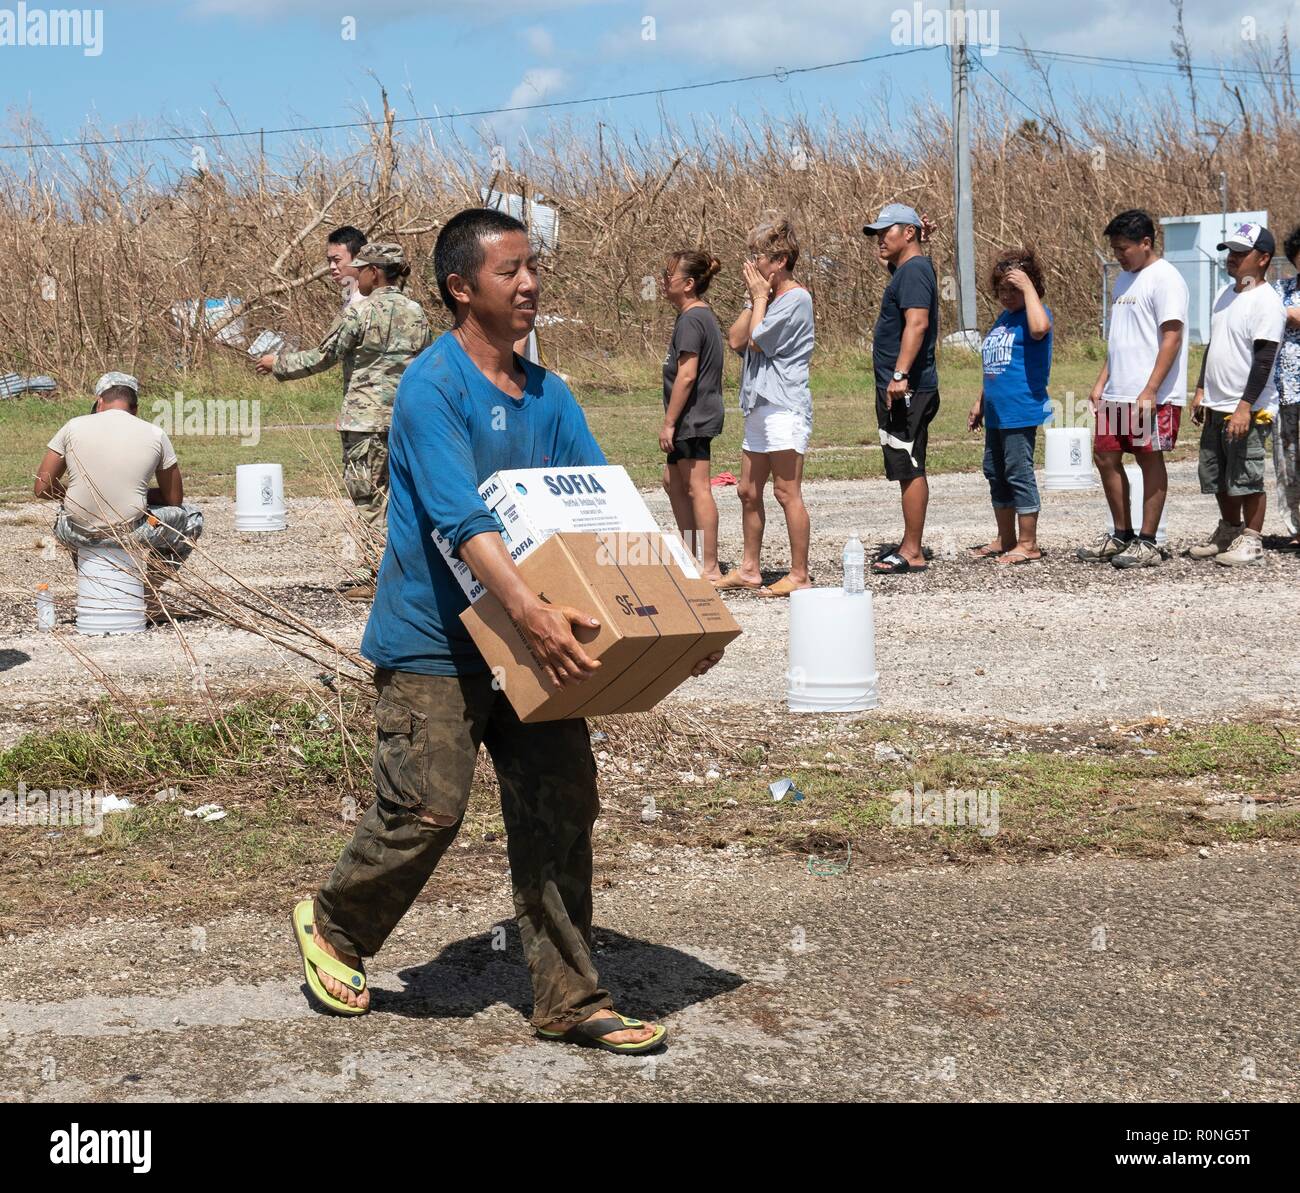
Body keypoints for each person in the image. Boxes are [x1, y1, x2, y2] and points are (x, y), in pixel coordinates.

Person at [289, 207, 724, 1053]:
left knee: (561, 803)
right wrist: (527, 606)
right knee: (426, 808)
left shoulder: (550, 394)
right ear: (461, 289)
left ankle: (571, 998)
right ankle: (336, 924)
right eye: (510, 271)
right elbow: (458, 515)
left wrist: (681, 609)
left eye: (533, 268)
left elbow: (605, 509)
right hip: (436, 642)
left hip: (537, 639)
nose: (529, 284)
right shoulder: (431, 386)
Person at [258, 242, 431, 598]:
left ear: (375, 273)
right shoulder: (418, 313)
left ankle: (382, 580)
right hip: (406, 419)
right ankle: (410, 574)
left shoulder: (362, 313)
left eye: (361, 268)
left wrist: (279, 365)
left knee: (368, 497)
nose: (355, 273)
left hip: (364, 420)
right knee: (401, 496)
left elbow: (324, 355)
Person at [34, 372, 203, 615]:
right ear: (135, 408)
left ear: (99, 401)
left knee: (67, 513)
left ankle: (94, 585)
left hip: (74, 534)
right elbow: (175, 500)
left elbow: (42, 488)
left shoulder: (72, 426)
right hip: (132, 533)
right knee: (191, 517)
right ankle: (148, 594)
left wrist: (75, 494)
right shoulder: (155, 434)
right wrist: (139, 496)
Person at [1077, 209, 1189, 569]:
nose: (1118, 255)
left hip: (1148, 394)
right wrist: (1101, 382)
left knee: (1147, 458)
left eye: (1124, 248)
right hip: (1116, 391)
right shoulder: (1124, 280)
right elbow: (1119, 340)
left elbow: (1171, 338)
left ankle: (1149, 540)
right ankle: (1121, 534)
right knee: (1105, 456)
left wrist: (1151, 389)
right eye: (1114, 249)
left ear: (1146, 243)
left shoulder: (1166, 278)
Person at [716, 212, 815, 596]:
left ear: (781, 262)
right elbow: (737, 339)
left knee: (786, 491)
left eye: (760, 257)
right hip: (758, 403)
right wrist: (753, 298)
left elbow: (758, 339)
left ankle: (799, 574)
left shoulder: (796, 300)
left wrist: (760, 298)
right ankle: (750, 568)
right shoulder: (767, 299)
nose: (753, 264)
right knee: (748, 490)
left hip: (784, 404)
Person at [1187, 223, 1285, 566]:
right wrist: (1200, 389)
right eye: (1231, 252)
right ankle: (1229, 530)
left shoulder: (1267, 302)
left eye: (1241, 253)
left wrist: (1245, 408)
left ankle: (1253, 539)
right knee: (1216, 474)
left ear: (1263, 259)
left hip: (1248, 407)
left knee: (1247, 475)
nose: (1233, 258)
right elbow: (1215, 346)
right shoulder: (1225, 294)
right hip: (1217, 402)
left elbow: (1263, 361)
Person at [864, 203, 940, 575]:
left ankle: (912, 551)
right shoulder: (908, 269)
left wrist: (899, 375)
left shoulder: (913, 272)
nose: (879, 239)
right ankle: (909, 545)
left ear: (907, 233)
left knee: (910, 465)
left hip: (907, 387)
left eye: (885, 232)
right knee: (903, 463)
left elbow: (918, 324)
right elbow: (898, 266)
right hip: (900, 385)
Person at [968, 247, 1054, 565]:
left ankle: (1028, 543)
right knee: (995, 471)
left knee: (1019, 472)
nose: (1006, 296)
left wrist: (1028, 288)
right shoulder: (1004, 318)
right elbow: (994, 364)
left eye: (1013, 289)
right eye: (1002, 289)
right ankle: (1006, 538)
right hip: (996, 411)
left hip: (1020, 409)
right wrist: (980, 402)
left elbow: (1039, 329)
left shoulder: (1035, 314)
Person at [659, 248, 725, 582]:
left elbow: (687, 375)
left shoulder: (692, 318)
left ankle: (709, 566)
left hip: (693, 417)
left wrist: (669, 423)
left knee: (698, 487)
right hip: (689, 416)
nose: (662, 280)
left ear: (687, 284)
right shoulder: (695, 315)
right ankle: (689, 554)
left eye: (668, 275)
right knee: (673, 482)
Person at [1269, 224, 1300, 547]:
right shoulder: (1282, 289)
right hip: (1285, 389)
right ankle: (1297, 526)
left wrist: (1285, 314)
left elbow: (1280, 315)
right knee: (1287, 460)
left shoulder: (1279, 298)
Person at [326, 224, 368, 313]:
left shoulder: (368, 304)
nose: (332, 266)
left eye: (337, 260)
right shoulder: (350, 299)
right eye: (329, 260)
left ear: (358, 258)